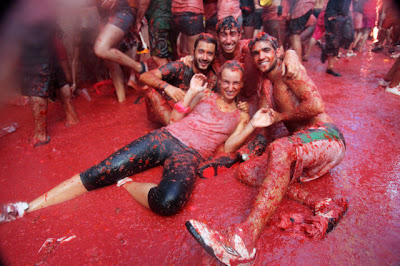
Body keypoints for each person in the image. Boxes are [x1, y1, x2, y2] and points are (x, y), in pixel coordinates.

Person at [0, 60, 258, 223]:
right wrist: (191, 93)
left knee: (168, 202)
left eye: (235, 83)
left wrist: (255, 125)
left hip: (190, 156)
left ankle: (128, 186)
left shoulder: (241, 115)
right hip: (166, 137)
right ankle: (26, 207)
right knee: (101, 171)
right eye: (226, 81)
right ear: (220, 80)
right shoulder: (206, 95)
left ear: (242, 83)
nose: (230, 87)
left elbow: (228, 147)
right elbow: (174, 118)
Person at [185, 33, 348, 265]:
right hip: (301, 148)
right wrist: (237, 156)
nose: (261, 56)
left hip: (328, 137)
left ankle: (245, 241)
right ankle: (322, 205)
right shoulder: (265, 84)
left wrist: (282, 114)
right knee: (247, 171)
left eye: (266, 50)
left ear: (277, 51)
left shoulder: (290, 69)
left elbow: (316, 104)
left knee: (280, 148)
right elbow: (265, 129)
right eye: (256, 52)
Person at [139, 33, 219, 125]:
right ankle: (173, 127)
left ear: (214, 56)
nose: (205, 58)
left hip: (192, 117)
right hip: (169, 113)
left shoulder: (215, 74)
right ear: (194, 52)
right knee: (151, 92)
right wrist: (167, 87)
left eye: (209, 53)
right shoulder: (180, 66)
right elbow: (144, 76)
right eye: (201, 52)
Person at [94, 0, 146, 102]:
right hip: (109, 17)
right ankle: (121, 100)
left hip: (122, 13)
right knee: (110, 61)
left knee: (100, 49)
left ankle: (139, 67)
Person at [320, 0, 354, 77]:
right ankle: (330, 66)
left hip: (345, 13)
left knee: (349, 36)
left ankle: (327, 50)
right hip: (333, 13)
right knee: (333, 39)